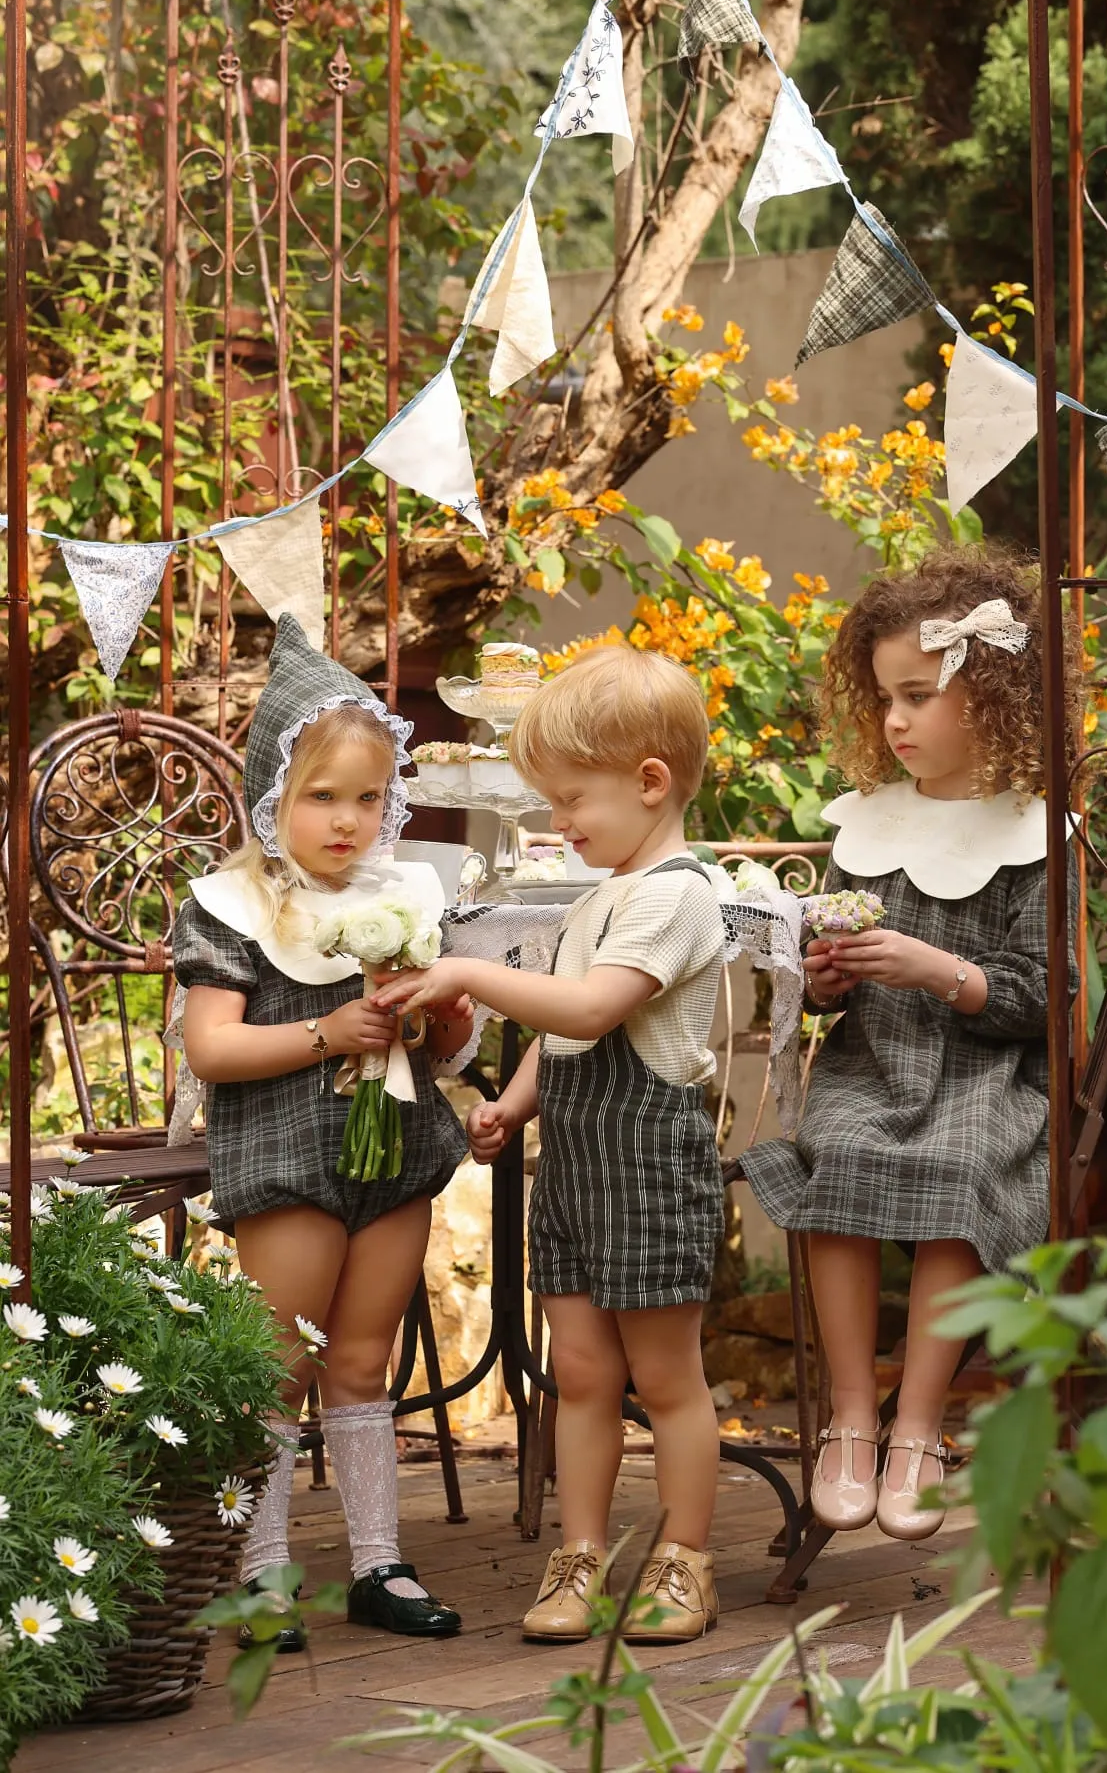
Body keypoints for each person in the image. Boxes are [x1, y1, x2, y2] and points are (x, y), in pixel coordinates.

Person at [374, 646, 728, 1646]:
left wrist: (468, 977)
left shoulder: (675, 895)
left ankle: (683, 1558)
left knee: (664, 1379)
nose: (559, 821)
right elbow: (566, 1035)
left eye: (572, 799)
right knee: (578, 1372)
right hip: (576, 1170)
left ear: (650, 781)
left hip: (650, 1173)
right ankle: (579, 1556)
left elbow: (593, 1003)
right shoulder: (596, 899)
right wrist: (515, 1102)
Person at [741, 547, 1081, 1541]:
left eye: (917, 696)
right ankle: (852, 1414)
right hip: (873, 1059)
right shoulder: (864, 827)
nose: (893, 721)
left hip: (987, 1071)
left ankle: (919, 1422)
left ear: (991, 695)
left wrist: (933, 967)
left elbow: (1040, 995)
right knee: (837, 1153)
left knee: (956, 1165)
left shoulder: (1033, 830)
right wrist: (826, 978)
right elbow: (817, 995)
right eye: (883, 698)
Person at [175, 612, 472, 1646]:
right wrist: (324, 1030)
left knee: (362, 1359)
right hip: (288, 1155)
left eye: (369, 797)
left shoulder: (404, 893)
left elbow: (446, 1047)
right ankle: (256, 1570)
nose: (347, 820)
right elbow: (213, 1048)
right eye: (321, 797)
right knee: (281, 1363)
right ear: (272, 800)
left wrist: (443, 1017)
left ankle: (377, 1560)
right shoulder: (231, 905)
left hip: (395, 1156)